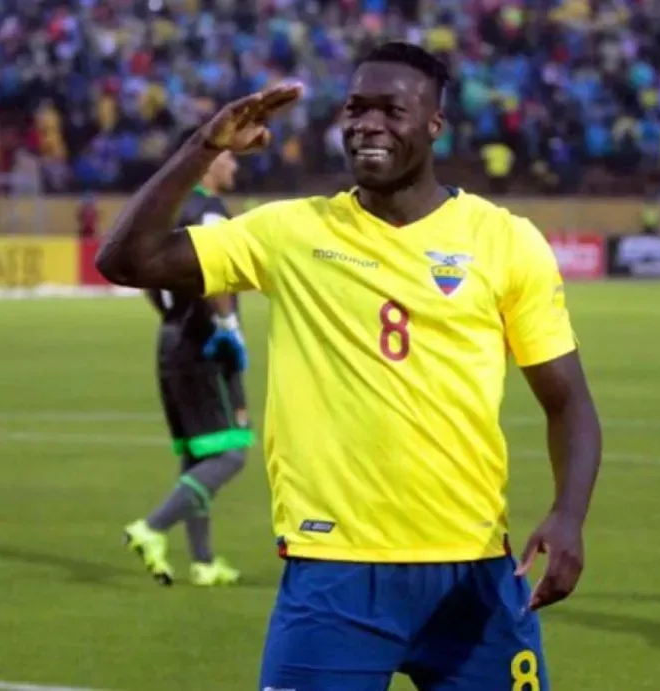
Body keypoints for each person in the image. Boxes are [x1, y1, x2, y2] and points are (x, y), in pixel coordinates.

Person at [97, 42, 602, 690]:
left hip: (472, 575)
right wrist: (205, 144)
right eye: (356, 109)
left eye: (392, 110)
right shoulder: (289, 233)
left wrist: (569, 514)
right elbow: (126, 259)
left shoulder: (505, 241)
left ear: (433, 126)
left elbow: (569, 401)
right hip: (333, 577)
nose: (367, 123)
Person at [123, 149, 252, 588]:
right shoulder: (210, 211)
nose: (235, 167)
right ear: (210, 164)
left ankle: (203, 561)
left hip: (173, 340)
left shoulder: (172, 210)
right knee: (232, 453)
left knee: (198, 453)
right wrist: (229, 325)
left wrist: (168, 313)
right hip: (205, 342)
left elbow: (138, 267)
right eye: (230, 159)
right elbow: (215, 270)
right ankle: (152, 528)